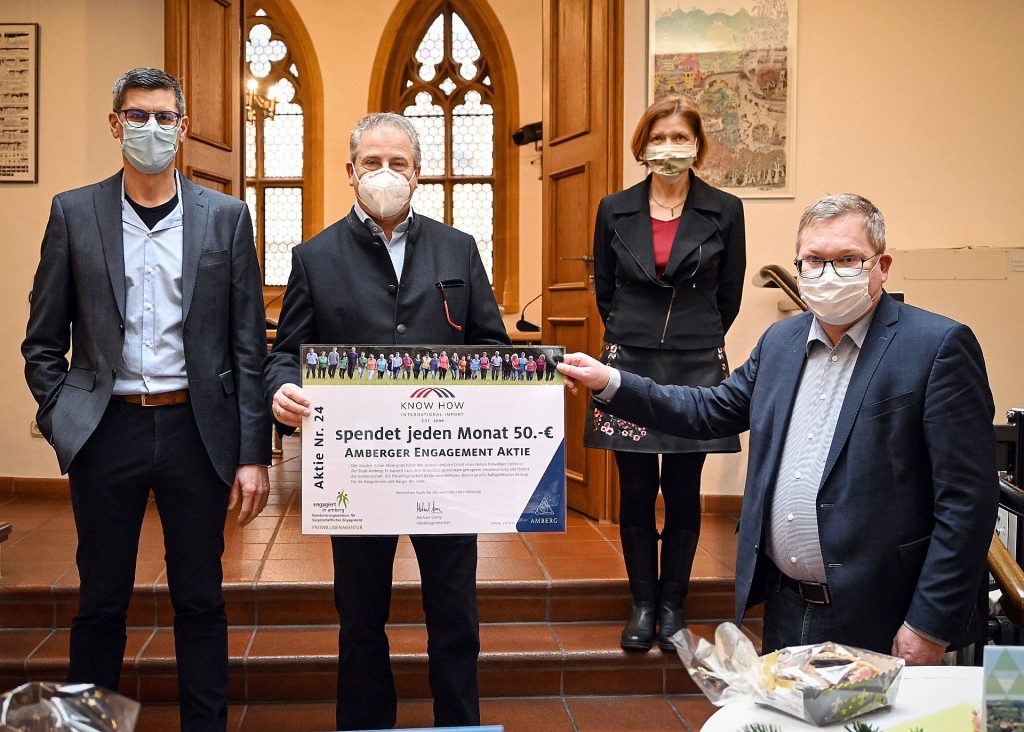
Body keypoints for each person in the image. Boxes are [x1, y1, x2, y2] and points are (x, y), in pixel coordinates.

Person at [558, 193, 998, 665]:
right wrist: (612, 383)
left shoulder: (937, 347)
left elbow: (967, 503)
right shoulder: (781, 342)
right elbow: (709, 410)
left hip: (884, 615)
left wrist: (927, 625)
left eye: (847, 259)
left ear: (882, 265)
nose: (828, 273)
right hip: (786, 607)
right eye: (813, 261)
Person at [21, 67, 271, 731]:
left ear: (184, 129)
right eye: (137, 116)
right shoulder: (74, 213)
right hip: (108, 432)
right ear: (115, 125)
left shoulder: (226, 218)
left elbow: (248, 348)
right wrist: (64, 417)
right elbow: (42, 341)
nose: (151, 130)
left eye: (164, 117)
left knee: (201, 598)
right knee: (100, 600)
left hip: (197, 431)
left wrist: (253, 453)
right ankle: (87, 727)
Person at [263, 112, 509, 730]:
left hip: (447, 469)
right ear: (349, 173)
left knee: (455, 617)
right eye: (371, 163)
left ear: (418, 174)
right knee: (360, 618)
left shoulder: (459, 248)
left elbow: (491, 346)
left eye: (398, 163)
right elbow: (285, 353)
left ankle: (457, 724)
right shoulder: (315, 256)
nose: (385, 174)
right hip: (359, 473)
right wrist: (282, 389)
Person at [585, 94, 746, 653]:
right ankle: (642, 603)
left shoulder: (725, 209)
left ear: (697, 146)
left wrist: (689, 334)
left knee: (682, 490)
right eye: (660, 138)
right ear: (642, 145)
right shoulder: (613, 207)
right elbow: (605, 288)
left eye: (681, 138)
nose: (670, 148)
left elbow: (730, 295)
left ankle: (673, 605)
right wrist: (636, 330)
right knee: (634, 491)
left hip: (695, 363)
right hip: (628, 363)